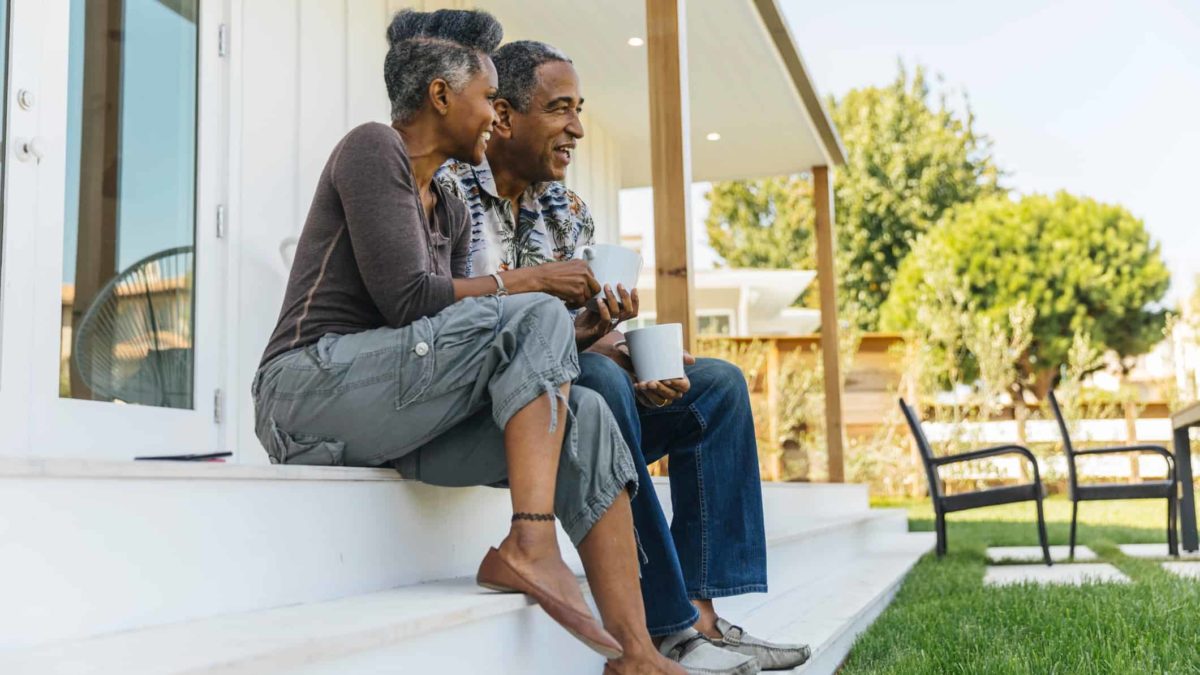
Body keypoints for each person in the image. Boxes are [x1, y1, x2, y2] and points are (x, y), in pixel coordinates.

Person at [253, 11, 685, 673]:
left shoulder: (448, 209)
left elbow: (474, 341)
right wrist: (536, 280)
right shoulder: (373, 149)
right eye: (488, 98)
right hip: (304, 393)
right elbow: (410, 300)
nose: (494, 115)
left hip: (394, 411)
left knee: (589, 416)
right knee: (532, 305)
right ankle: (530, 544)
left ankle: (637, 652)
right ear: (440, 96)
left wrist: (583, 334)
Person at [437, 40, 812, 674]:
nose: (578, 129)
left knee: (715, 384)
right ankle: (663, 627)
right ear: (503, 116)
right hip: (497, 414)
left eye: (579, 110)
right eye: (561, 110)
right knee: (603, 384)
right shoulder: (449, 194)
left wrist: (624, 349)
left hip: (580, 397)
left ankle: (702, 618)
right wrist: (597, 353)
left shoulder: (567, 208)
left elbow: (579, 338)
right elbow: (452, 330)